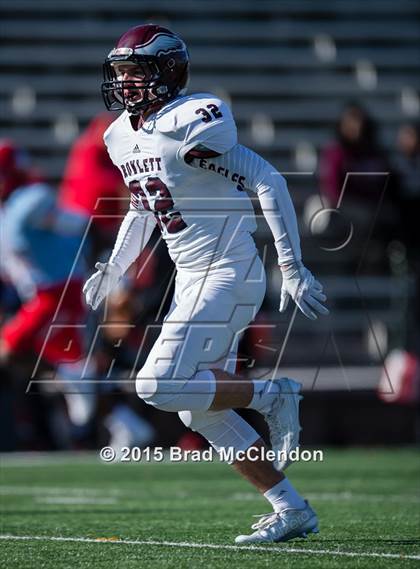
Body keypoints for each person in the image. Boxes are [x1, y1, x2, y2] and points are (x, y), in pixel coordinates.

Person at [83, 24, 329, 544]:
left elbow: (268, 179)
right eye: (121, 72)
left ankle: (270, 393)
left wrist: (292, 266)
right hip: (193, 278)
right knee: (199, 405)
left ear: (169, 71)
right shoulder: (119, 135)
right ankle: (290, 507)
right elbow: (143, 209)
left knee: (154, 385)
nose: (126, 83)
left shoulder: (192, 119)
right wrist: (115, 266)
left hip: (227, 271)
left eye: (137, 72)